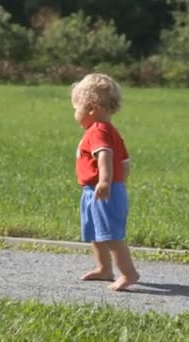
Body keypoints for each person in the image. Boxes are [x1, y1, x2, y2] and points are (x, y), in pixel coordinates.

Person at [71, 73, 140, 291]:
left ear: (90, 108)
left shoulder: (99, 131)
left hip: (103, 190)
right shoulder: (107, 130)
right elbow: (126, 162)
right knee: (95, 232)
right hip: (96, 190)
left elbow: (105, 156)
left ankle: (129, 274)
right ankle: (104, 269)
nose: (75, 113)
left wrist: (105, 182)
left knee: (110, 236)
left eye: (76, 108)